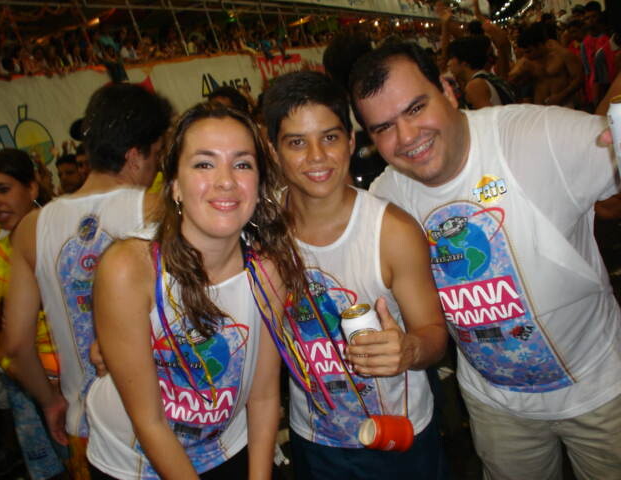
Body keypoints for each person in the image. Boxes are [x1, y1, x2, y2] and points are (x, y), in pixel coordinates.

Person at [349, 41, 621, 479]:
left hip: (601, 391)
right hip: (495, 407)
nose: (407, 137)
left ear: (448, 91)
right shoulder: (387, 197)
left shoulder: (536, 136)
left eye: (416, 108)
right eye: (384, 128)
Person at [86, 102, 304, 479]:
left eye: (242, 164)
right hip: (134, 462)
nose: (226, 181)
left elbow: (264, 395)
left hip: (225, 446)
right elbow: (150, 421)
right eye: (204, 164)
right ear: (174, 185)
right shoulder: (129, 270)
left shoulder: (267, 270)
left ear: (259, 185)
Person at [262, 71, 448, 478]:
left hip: (399, 433)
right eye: (297, 142)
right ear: (273, 150)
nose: (316, 156)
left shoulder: (393, 231)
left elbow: (435, 333)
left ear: (350, 141)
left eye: (329, 137)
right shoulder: (261, 232)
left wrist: (410, 349)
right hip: (315, 436)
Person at [1, 83, 172, 479]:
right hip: (167, 416)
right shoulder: (160, 211)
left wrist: (50, 401)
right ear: (136, 155)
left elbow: (16, 343)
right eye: (157, 153)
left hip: (89, 427)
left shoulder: (32, 227)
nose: (157, 166)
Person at [0, 148, 65, 480]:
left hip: (85, 375)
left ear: (31, 188)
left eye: (3, 189)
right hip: (33, 383)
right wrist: (16, 370)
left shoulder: (67, 243)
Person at [509, 22, 584, 107]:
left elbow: (579, 79)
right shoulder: (527, 62)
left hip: (564, 104)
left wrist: (561, 95)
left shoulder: (562, 55)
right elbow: (512, 82)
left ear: (540, 45)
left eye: (529, 51)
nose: (526, 55)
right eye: (525, 52)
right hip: (541, 107)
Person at [447, 36, 517, 109]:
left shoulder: (476, 85)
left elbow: (488, 115)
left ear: (465, 62)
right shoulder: (487, 77)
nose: (448, 63)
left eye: (451, 58)